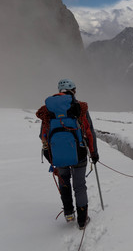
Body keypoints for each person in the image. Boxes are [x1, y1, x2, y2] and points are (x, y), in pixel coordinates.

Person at [36, 79, 99, 230]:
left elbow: (42, 134)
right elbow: (89, 131)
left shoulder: (48, 109)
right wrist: (94, 152)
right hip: (79, 152)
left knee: (64, 182)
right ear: (72, 91)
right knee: (79, 186)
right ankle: (82, 220)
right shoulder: (79, 107)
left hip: (58, 154)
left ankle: (69, 214)